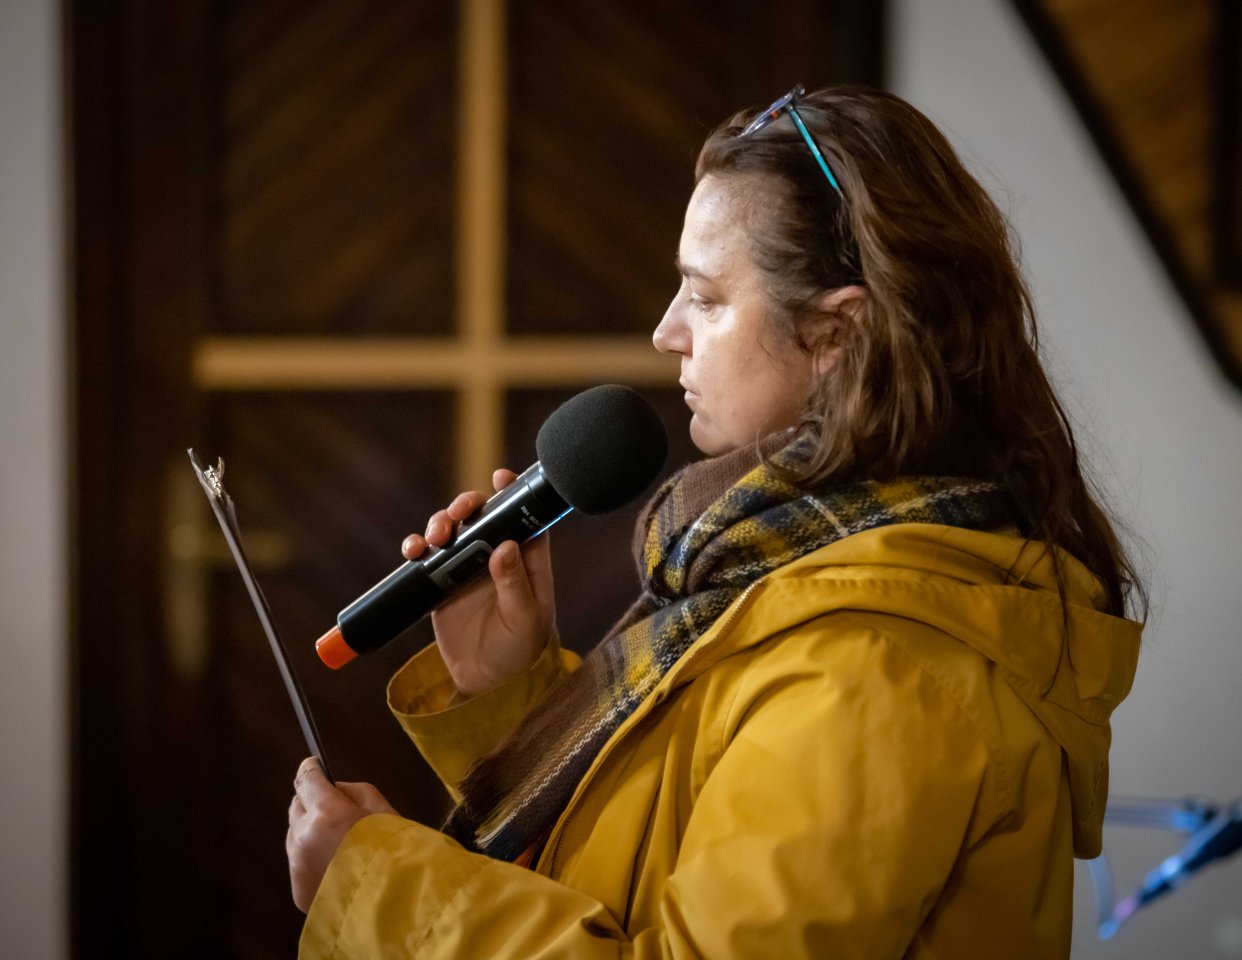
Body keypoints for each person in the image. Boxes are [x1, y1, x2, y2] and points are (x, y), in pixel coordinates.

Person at [286, 85, 1144, 958]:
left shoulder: (877, 669)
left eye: (704, 297)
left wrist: (377, 889)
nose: (667, 332)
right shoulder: (790, 582)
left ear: (836, 334)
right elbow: (644, 867)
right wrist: (511, 697)